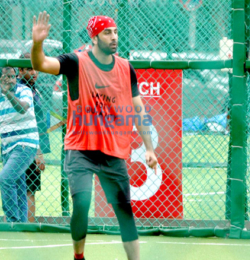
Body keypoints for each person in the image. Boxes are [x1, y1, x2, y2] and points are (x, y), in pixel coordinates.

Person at [31, 12, 158, 260]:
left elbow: (138, 108)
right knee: (81, 204)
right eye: (107, 32)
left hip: (112, 152)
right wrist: (38, 43)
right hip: (81, 149)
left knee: (124, 211)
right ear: (94, 37)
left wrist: (149, 148)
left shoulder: (125, 68)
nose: (114, 37)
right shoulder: (75, 62)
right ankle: (79, 255)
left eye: (115, 31)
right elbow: (40, 65)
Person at [0, 67, 39, 223]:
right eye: (6, 77)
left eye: (12, 76)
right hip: (7, 147)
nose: (10, 80)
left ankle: (12, 221)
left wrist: (8, 93)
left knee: (6, 178)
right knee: (18, 186)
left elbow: (22, 108)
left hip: (25, 144)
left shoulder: (24, 91)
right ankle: (22, 224)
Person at [18, 53, 50, 222]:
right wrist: (38, 151)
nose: (34, 72)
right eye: (29, 68)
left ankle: (22, 225)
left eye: (36, 68)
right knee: (27, 189)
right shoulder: (23, 91)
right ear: (20, 70)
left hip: (22, 146)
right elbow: (31, 123)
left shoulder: (33, 89)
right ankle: (27, 226)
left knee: (25, 188)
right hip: (27, 147)